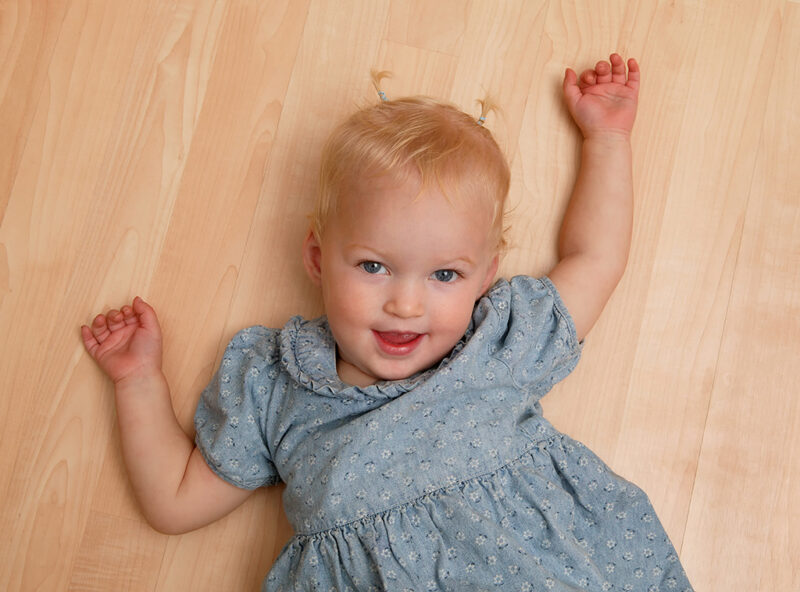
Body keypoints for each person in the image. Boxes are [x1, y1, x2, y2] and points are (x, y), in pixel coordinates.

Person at [81, 54, 693, 591]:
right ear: (318, 258)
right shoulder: (278, 387)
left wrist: (606, 141)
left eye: (445, 276)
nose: (405, 303)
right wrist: (138, 381)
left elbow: (595, 259)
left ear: (485, 276)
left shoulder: (498, 346)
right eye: (374, 266)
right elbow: (175, 500)